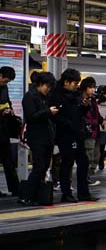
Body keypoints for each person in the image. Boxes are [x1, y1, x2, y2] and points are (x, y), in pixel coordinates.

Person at [49, 68, 93, 203]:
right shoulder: (55, 95)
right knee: (67, 164)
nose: (76, 86)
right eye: (74, 83)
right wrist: (68, 124)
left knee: (83, 162)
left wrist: (85, 106)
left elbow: (81, 113)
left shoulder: (77, 94)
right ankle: (66, 193)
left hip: (78, 133)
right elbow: (54, 116)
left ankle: (83, 193)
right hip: (65, 134)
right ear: (66, 82)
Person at [19, 71, 58, 206]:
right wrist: (48, 112)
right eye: (47, 86)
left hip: (47, 137)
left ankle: (36, 195)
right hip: (36, 137)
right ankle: (26, 196)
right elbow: (31, 116)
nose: (48, 89)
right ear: (40, 84)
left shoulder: (45, 97)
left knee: (44, 166)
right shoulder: (29, 97)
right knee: (39, 167)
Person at [0, 65, 20, 197]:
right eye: (5, 81)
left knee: (8, 161)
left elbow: (7, 102)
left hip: (3, 129)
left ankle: (15, 189)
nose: (5, 83)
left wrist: (10, 110)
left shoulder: (4, 88)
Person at [80, 77, 102, 187]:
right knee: (87, 156)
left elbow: (96, 113)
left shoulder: (92, 100)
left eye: (94, 88)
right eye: (90, 88)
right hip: (86, 131)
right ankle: (85, 178)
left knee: (93, 155)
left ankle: (87, 177)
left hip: (94, 131)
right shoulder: (80, 99)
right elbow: (84, 116)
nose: (93, 90)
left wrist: (101, 121)